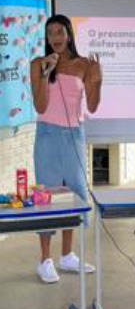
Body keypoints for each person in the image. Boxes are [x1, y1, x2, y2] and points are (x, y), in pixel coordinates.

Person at [28, 14, 100, 283]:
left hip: (75, 136)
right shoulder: (38, 64)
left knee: (75, 193)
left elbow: (92, 106)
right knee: (47, 196)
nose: (55, 37)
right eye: (50, 33)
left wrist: (98, 80)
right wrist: (47, 73)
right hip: (47, 135)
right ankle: (45, 260)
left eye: (60, 31)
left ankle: (67, 255)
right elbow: (40, 106)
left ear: (69, 34)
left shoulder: (83, 65)